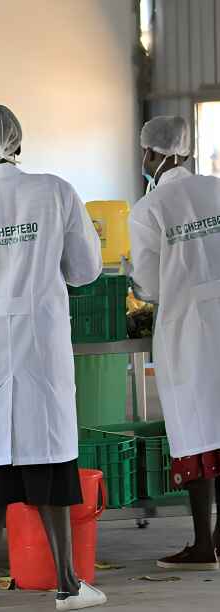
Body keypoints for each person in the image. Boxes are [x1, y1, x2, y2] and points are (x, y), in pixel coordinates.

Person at [0, 104, 106, 609]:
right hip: (40, 343)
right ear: (19, 143)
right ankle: (68, 584)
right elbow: (86, 268)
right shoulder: (54, 191)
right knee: (48, 457)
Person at [129, 115, 220, 570]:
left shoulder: (149, 209)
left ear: (151, 154)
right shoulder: (216, 189)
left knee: (196, 430)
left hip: (187, 328)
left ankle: (204, 544)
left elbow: (147, 286)